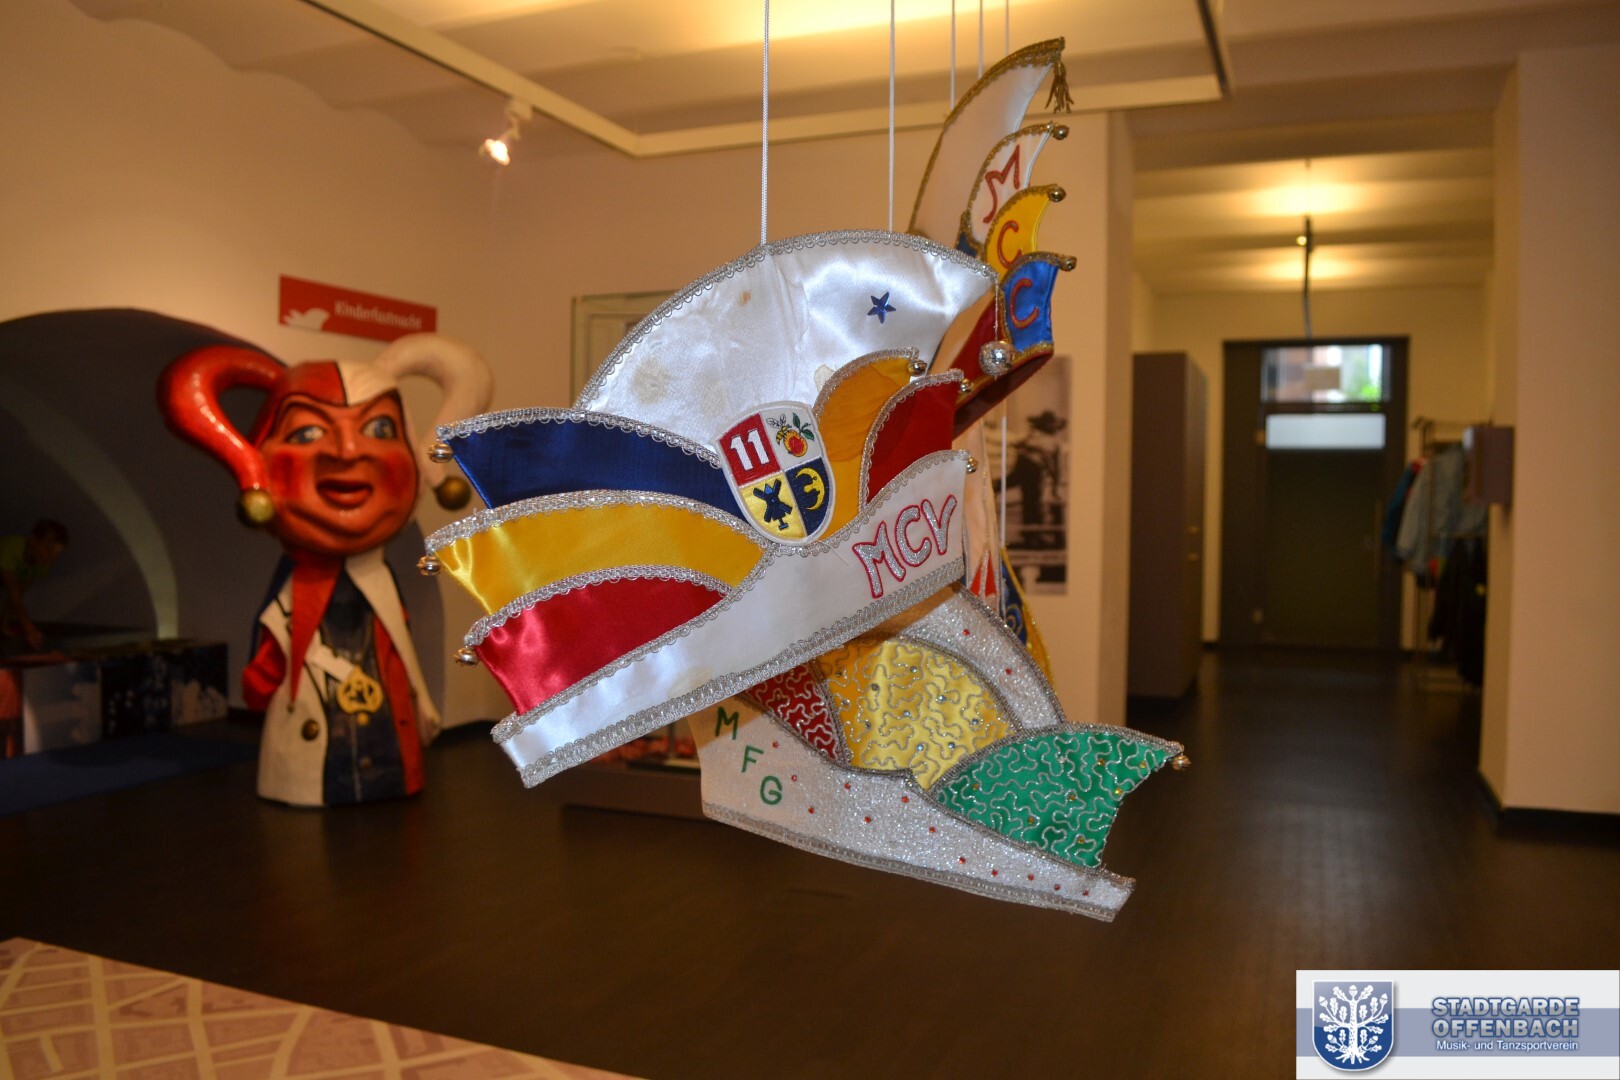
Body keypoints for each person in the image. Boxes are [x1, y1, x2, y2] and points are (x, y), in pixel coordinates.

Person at [0, 519, 68, 651]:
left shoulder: (42, 564)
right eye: (48, 549)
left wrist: (3, 624)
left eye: (56, 554)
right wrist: (30, 629)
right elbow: (14, 593)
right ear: (33, 540)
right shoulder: (11, 549)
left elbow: (17, 594)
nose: (51, 558)